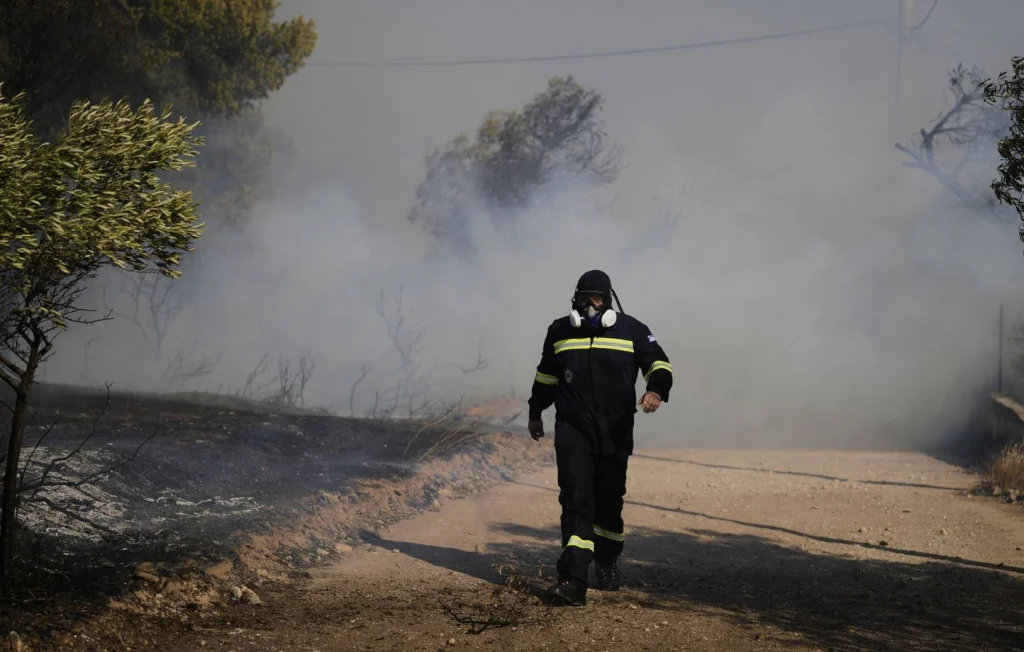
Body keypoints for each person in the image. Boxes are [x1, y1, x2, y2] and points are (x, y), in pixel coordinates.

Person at [527, 269, 673, 607]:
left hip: (616, 430)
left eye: (598, 299)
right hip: (572, 430)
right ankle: (572, 580)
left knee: (609, 502)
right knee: (576, 499)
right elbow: (546, 375)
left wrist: (656, 390)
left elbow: (659, 364)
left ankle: (606, 560)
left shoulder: (632, 329)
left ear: (609, 301)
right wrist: (536, 411)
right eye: (585, 298)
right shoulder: (560, 331)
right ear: (575, 299)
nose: (591, 306)